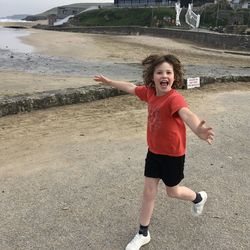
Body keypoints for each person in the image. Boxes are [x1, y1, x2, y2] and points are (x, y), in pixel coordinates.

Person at [93, 54, 214, 250]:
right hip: (154, 152)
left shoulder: (175, 98)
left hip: (173, 155)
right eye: (159, 72)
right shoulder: (149, 93)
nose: (164, 75)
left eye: (168, 72)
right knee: (149, 191)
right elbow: (130, 87)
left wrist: (198, 129)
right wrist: (109, 82)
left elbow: (186, 114)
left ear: (175, 77)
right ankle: (143, 232)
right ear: (153, 76)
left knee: (172, 191)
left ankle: (198, 198)